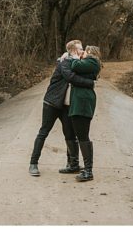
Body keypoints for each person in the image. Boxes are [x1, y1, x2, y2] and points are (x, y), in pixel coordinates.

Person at [29, 40, 96, 176]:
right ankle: (33, 164)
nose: (83, 51)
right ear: (72, 51)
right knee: (44, 132)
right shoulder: (64, 62)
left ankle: (72, 164)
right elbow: (71, 77)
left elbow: (88, 70)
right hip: (52, 103)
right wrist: (90, 83)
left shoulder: (77, 63)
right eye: (80, 49)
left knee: (70, 135)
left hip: (66, 106)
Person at [68, 45, 102, 182]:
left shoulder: (92, 62)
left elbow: (75, 66)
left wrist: (75, 57)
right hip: (80, 102)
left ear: (90, 53)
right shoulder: (88, 64)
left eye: (85, 51)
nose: (82, 53)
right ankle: (86, 169)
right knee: (81, 135)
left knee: (83, 136)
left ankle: (88, 171)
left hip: (82, 103)